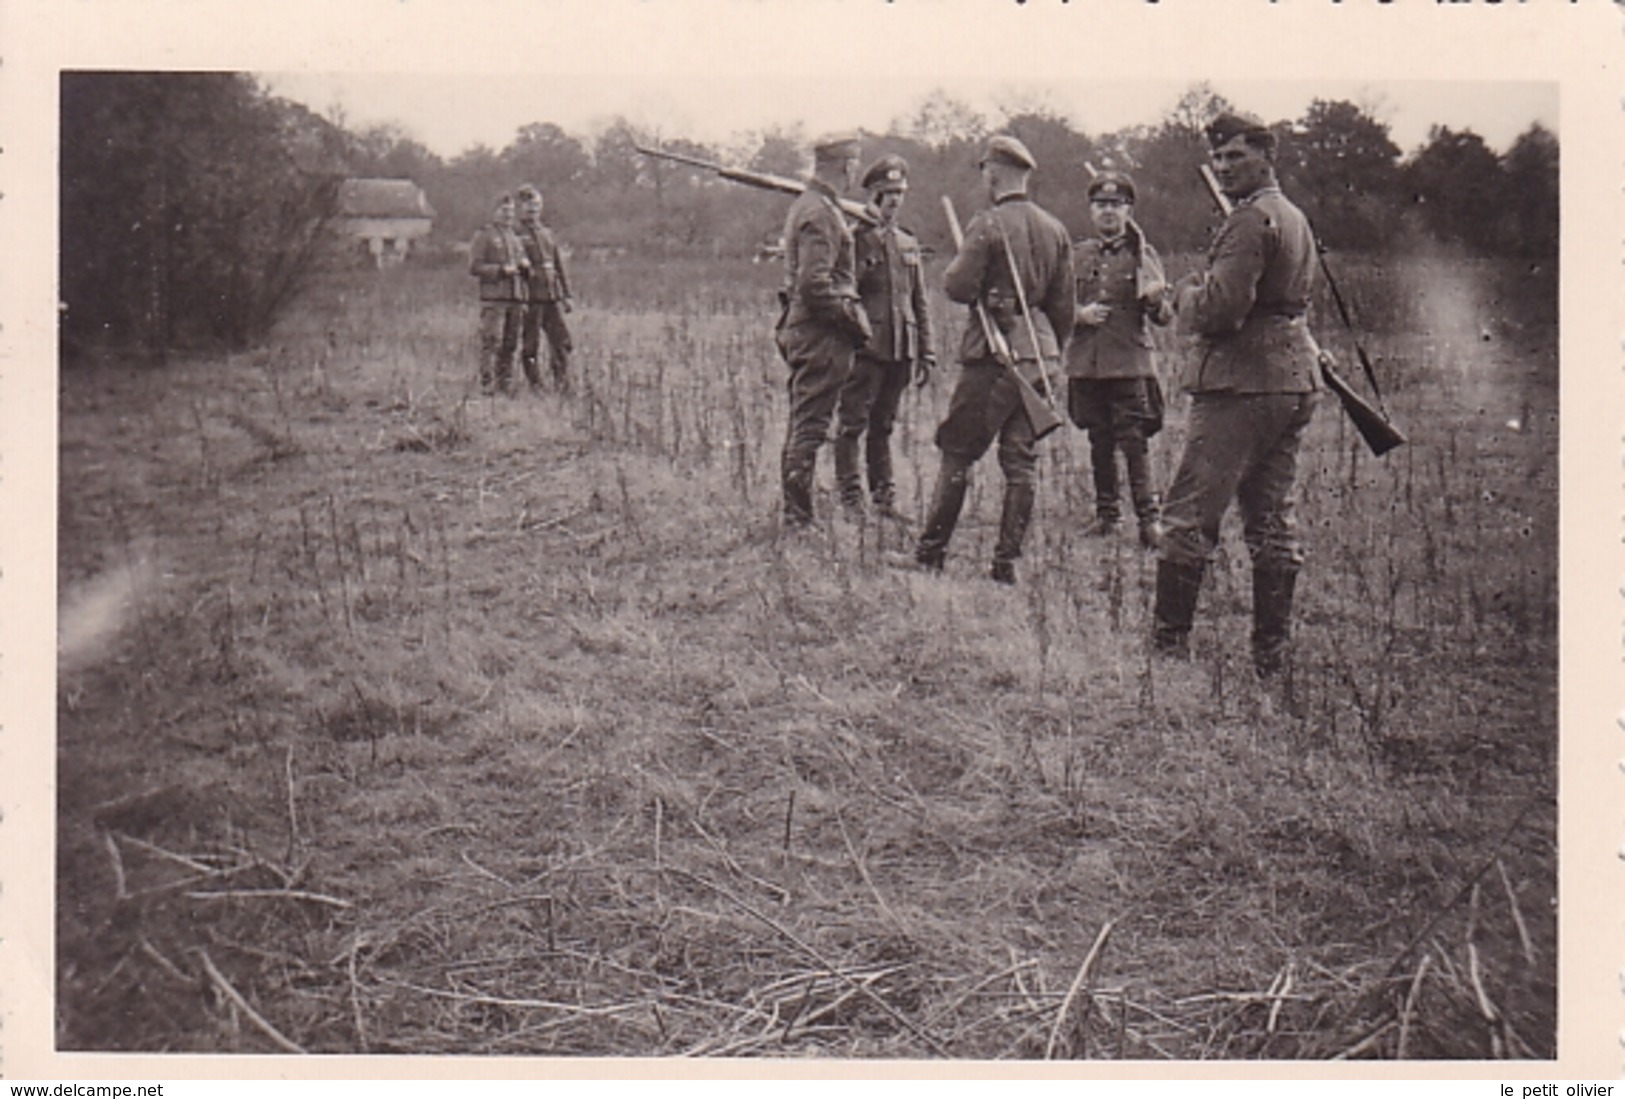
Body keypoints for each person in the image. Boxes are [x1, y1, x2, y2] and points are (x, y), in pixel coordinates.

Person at [1155, 112, 1322, 676]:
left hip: (1239, 384)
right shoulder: (1293, 216)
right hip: (1290, 380)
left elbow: (1222, 310)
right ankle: (1270, 656)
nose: (1224, 167)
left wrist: (1183, 294)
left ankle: (1169, 650)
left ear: (1265, 158)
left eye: (1236, 157)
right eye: (1218, 158)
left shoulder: (1250, 221)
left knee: (1187, 516)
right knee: (1273, 519)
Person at [901, 135, 1073, 585]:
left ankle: (929, 555)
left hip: (993, 357)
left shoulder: (988, 224)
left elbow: (957, 287)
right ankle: (1005, 565)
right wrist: (1045, 351)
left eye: (984, 170)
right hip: (1040, 355)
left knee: (957, 453)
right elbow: (1064, 309)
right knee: (1020, 462)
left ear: (993, 173)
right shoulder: (1055, 229)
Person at [1067, 171, 1172, 550]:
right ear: (1091, 211)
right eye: (1101, 205)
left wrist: (1157, 298)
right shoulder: (1076, 255)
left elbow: (1163, 317)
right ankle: (1107, 515)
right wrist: (1078, 315)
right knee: (1099, 440)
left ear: (1128, 210)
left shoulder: (1144, 254)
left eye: (1116, 205)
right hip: (1087, 364)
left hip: (1129, 364)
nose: (1108, 212)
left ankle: (1150, 520)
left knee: (1134, 442)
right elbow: (1055, 305)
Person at [832, 154, 936, 519]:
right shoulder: (855, 238)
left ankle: (884, 499)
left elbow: (919, 301)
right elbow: (845, 290)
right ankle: (850, 499)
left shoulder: (907, 241)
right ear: (872, 194)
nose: (894, 199)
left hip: (900, 348)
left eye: (899, 192)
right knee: (851, 424)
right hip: (866, 348)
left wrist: (928, 351)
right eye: (887, 192)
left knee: (884, 425)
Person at [776, 132, 871, 530]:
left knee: (804, 423)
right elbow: (815, 285)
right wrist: (852, 322)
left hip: (811, 332)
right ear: (847, 166)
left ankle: (796, 515)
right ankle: (799, 521)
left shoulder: (813, 206)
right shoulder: (819, 212)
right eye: (854, 166)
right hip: (822, 337)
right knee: (810, 427)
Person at [467, 192, 530, 394]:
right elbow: (474, 267)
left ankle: (505, 383)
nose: (508, 215)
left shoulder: (515, 238)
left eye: (511, 211)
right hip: (494, 298)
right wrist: (500, 270)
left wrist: (525, 267)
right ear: (494, 212)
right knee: (492, 340)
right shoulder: (484, 236)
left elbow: (522, 263)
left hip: (515, 297)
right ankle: (488, 384)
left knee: (510, 343)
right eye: (504, 211)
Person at [514, 184, 574, 392]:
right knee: (531, 344)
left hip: (551, 296)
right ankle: (536, 386)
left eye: (536, 206)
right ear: (519, 208)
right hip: (529, 297)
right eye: (528, 206)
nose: (533, 211)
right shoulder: (514, 234)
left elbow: (558, 265)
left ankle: (562, 383)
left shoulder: (547, 233)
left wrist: (566, 294)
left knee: (562, 341)